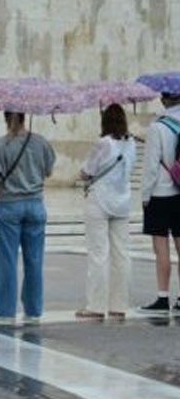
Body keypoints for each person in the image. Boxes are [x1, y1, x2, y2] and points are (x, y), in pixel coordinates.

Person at [0, 112, 55, 325]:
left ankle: (5, 311)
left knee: (7, 260)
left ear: (5, 119)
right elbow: (49, 171)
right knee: (34, 260)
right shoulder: (41, 142)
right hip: (35, 204)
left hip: (8, 205)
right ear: (25, 117)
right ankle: (34, 309)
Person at [77, 104, 135, 321]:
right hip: (122, 201)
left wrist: (83, 173)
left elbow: (87, 171)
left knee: (98, 255)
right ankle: (119, 305)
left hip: (99, 201)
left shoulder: (103, 143)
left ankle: (96, 305)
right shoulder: (130, 144)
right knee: (121, 254)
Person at [138, 92, 180, 314]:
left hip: (161, 193)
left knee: (161, 246)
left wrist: (145, 196)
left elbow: (151, 166)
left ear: (163, 100)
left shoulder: (158, 127)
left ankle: (163, 298)